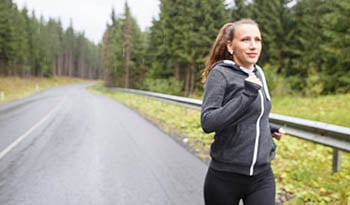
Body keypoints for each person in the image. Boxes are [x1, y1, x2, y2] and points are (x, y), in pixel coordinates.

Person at [200, 19, 285, 205]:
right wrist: (246, 95)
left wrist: (268, 128)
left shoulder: (259, 73)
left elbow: (251, 115)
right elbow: (208, 122)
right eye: (246, 40)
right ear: (230, 46)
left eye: (258, 40)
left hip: (261, 176)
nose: (253, 46)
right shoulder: (221, 74)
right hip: (225, 177)